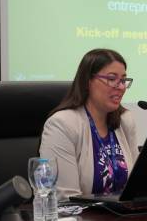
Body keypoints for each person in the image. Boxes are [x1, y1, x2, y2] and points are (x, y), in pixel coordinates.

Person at [40, 49, 138, 200]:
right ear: (87, 82)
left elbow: (136, 186)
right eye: (112, 79)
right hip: (81, 220)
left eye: (123, 80)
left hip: (121, 218)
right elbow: (65, 199)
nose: (121, 87)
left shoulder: (125, 120)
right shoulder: (62, 125)